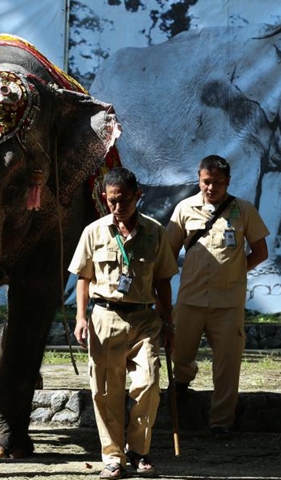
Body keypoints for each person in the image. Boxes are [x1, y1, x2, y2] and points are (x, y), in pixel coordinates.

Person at [69, 167, 177, 479]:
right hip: (105, 318)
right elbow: (83, 278)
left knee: (149, 384)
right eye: (112, 201)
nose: (118, 207)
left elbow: (164, 282)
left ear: (137, 196)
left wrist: (168, 323)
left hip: (145, 319)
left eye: (125, 200)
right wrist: (80, 318)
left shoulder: (155, 231)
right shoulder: (94, 231)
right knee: (105, 391)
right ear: (105, 198)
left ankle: (139, 451)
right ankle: (113, 457)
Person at [166, 155, 269, 439]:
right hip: (190, 298)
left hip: (228, 303)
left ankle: (220, 422)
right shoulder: (184, 209)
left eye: (218, 183)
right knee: (179, 350)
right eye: (206, 182)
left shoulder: (243, 210)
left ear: (228, 182)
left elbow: (261, 252)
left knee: (227, 363)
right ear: (198, 179)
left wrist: (237, 271)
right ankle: (184, 376)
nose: (211, 188)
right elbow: (169, 253)